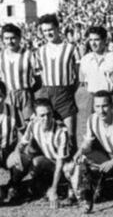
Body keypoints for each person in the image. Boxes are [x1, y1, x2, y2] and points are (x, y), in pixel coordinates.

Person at [73, 90, 113, 211]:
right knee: (83, 158)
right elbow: (88, 143)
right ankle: (86, 198)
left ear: (111, 106)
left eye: (104, 106)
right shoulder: (92, 119)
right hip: (107, 158)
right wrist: (80, 151)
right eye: (97, 106)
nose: (101, 110)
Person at [18, 98, 79, 209]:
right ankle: (39, 188)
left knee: (69, 169)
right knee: (35, 162)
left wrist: (54, 189)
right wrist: (16, 155)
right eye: (42, 115)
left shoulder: (61, 131)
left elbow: (60, 163)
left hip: (65, 164)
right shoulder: (32, 125)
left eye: (49, 114)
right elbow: (22, 144)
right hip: (51, 162)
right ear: (35, 116)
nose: (46, 118)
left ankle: (69, 190)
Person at [34, 14, 81, 153]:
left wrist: (70, 90)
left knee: (70, 136)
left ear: (57, 28)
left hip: (65, 94)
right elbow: (40, 75)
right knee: (49, 134)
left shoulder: (71, 48)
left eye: (51, 29)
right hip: (47, 94)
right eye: (45, 31)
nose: (48, 33)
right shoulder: (40, 51)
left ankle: (73, 171)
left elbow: (78, 75)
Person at [0, 23, 41, 121]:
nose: (9, 41)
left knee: (28, 125)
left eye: (13, 38)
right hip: (7, 95)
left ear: (19, 38)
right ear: (2, 39)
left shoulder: (29, 55)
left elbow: (38, 80)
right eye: (6, 38)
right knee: (10, 126)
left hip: (25, 95)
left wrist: (28, 92)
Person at [79, 26, 113, 114]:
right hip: (94, 99)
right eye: (91, 40)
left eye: (96, 40)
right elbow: (83, 82)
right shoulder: (85, 59)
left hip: (111, 98)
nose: (93, 43)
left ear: (104, 40)